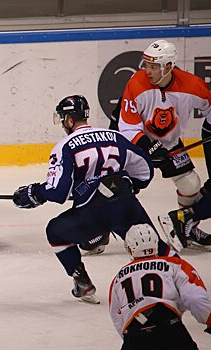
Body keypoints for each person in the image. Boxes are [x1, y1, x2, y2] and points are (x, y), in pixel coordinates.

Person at [12, 95, 174, 304]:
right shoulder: (114, 136)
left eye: (63, 118)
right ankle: (183, 277)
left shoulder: (66, 146)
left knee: (55, 232)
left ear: (70, 120)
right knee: (152, 243)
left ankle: (83, 283)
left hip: (93, 212)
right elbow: (144, 169)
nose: (63, 123)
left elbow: (58, 192)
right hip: (124, 203)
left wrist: (34, 193)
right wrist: (128, 188)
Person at [117, 39, 211, 249]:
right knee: (118, 186)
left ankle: (186, 227)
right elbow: (128, 126)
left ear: (168, 67)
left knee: (191, 184)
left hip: (169, 144)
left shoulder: (193, 86)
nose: (147, 71)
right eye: (146, 65)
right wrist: (147, 147)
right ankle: (99, 232)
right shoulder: (136, 83)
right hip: (135, 143)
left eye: (153, 67)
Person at [109, 223, 211, 350]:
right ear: (156, 245)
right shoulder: (175, 265)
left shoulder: (119, 277)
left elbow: (117, 315)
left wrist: (130, 340)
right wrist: (208, 319)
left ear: (130, 249)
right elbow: (195, 298)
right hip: (169, 329)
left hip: (135, 335)